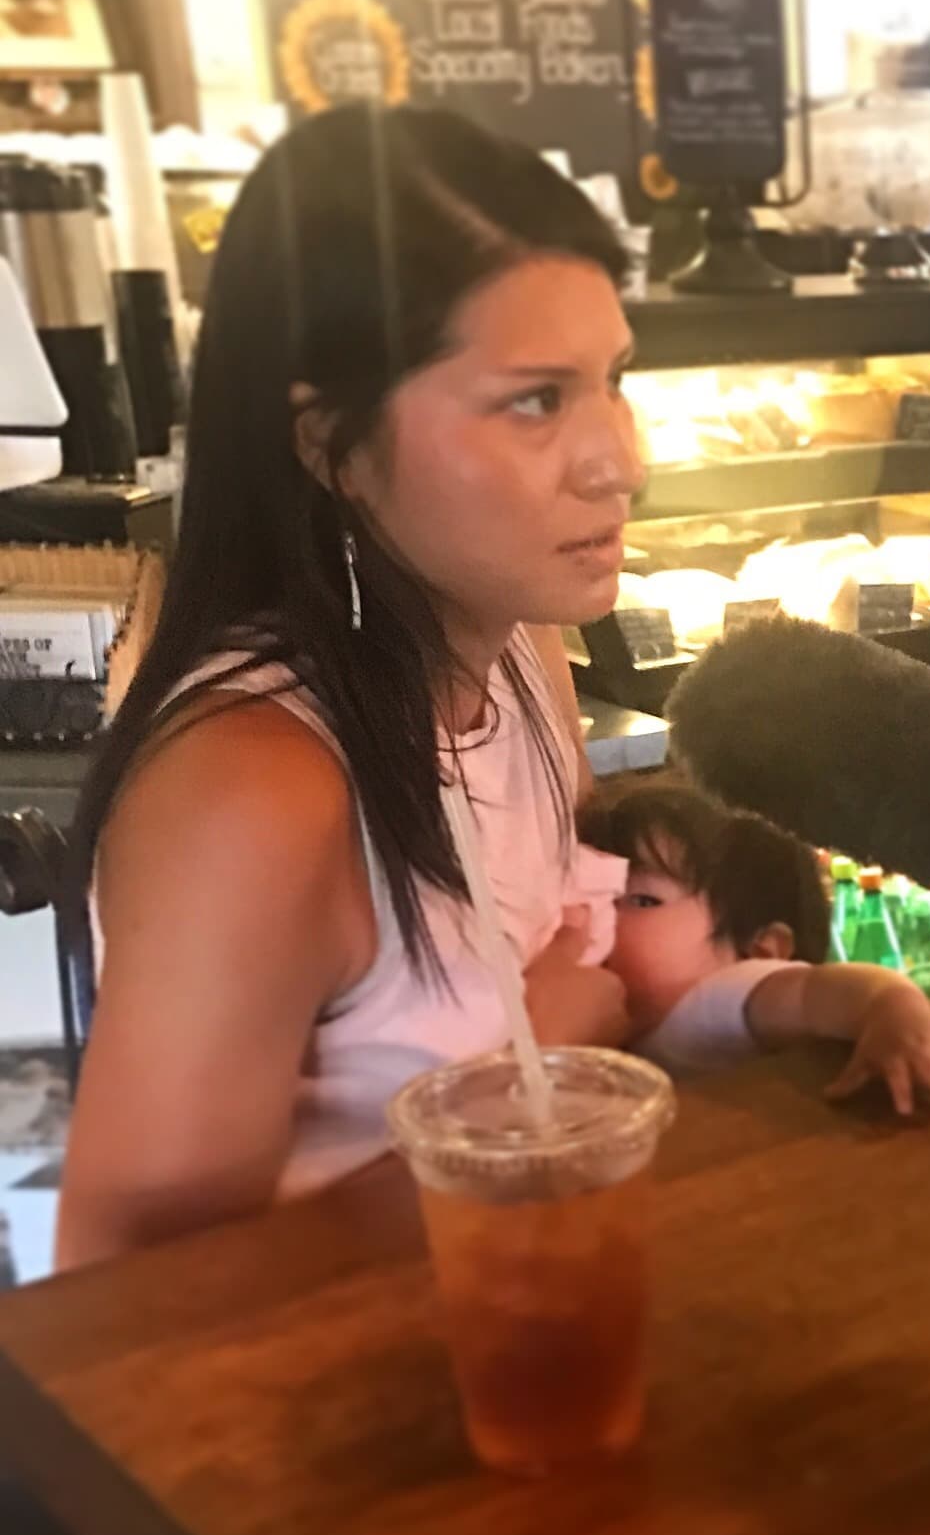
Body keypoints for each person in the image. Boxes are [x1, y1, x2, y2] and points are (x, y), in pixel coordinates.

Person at [60, 105, 641, 1268]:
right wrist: (543, 1055)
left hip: (534, 1305)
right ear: (330, 441)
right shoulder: (253, 788)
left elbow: (589, 957)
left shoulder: (524, 660)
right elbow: (128, 1292)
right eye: (535, 399)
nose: (621, 460)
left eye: (615, 380)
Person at [578, 780, 930, 1115]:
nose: (592, 917)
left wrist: (892, 1012)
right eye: (585, 898)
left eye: (641, 900)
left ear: (761, 951)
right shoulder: (612, 1029)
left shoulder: (720, 999)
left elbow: (825, 991)